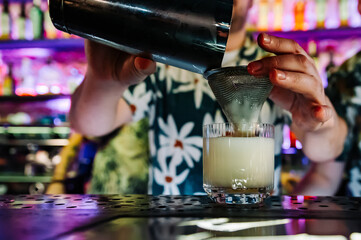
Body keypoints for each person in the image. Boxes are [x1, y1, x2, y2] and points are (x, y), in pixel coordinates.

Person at [69, 0, 347, 195]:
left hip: (252, 226)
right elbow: (90, 124)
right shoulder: (167, 61)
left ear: (252, 2)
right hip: (171, 227)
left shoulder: (276, 68)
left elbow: (327, 150)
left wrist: (321, 121)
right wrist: (102, 81)